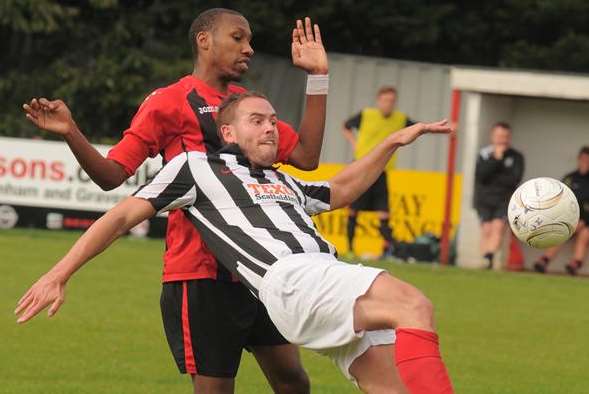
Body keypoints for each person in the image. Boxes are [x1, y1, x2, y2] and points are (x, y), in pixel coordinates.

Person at [17, 92, 455, 394]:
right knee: (413, 305)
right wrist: (59, 274)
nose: (270, 128)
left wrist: (392, 142)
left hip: (313, 285)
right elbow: (120, 216)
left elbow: (340, 189)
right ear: (228, 133)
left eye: (272, 121)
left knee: (393, 385)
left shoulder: (282, 180)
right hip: (294, 279)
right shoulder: (195, 166)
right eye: (256, 120)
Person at [21, 8, 329, 394]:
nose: (248, 48)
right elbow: (112, 175)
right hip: (200, 272)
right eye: (238, 38)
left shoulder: (249, 105)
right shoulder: (167, 102)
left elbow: (306, 157)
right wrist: (71, 132)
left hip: (260, 270)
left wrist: (318, 79)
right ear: (204, 40)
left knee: (293, 381)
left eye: (249, 40)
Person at [341, 86, 415, 258]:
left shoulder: (400, 119)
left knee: (384, 213)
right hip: (361, 168)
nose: (388, 104)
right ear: (378, 101)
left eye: (392, 101)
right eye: (385, 100)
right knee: (353, 210)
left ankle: (392, 251)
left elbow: (418, 127)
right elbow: (345, 126)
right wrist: (355, 144)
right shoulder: (366, 115)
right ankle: (350, 249)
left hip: (381, 171)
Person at [474, 122, 524, 269]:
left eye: (505, 136)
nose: (502, 139)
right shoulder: (484, 154)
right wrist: (497, 159)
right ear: (492, 136)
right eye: (499, 136)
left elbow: (514, 179)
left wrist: (498, 175)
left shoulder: (516, 157)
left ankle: (489, 257)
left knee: (498, 227)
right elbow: (482, 176)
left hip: (504, 199)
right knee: (486, 229)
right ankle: (484, 259)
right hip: (484, 198)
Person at [533, 146, 589, 275]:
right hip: (572, 218)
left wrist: (584, 221)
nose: (586, 162)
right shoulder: (570, 178)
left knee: (585, 233)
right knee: (563, 229)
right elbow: (560, 199)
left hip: (586, 221)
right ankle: (545, 260)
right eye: (584, 159)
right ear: (579, 159)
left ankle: (575, 263)